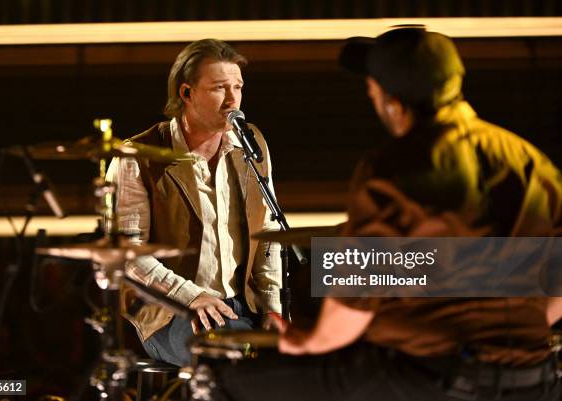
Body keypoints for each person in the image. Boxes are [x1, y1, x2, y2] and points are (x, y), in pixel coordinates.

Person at [212, 27, 562, 401]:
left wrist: (306, 341)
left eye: (373, 88)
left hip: (428, 377)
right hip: (532, 378)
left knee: (231, 382)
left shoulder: (394, 168)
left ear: (392, 101)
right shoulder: (528, 160)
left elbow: (351, 308)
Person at [106, 39, 281, 367]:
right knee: (226, 355)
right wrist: (192, 296)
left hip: (242, 306)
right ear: (186, 93)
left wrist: (272, 307)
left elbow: (268, 232)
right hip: (170, 312)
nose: (233, 99)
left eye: (238, 87)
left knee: (304, 358)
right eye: (219, 88)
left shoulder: (251, 145)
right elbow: (129, 255)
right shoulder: (137, 157)